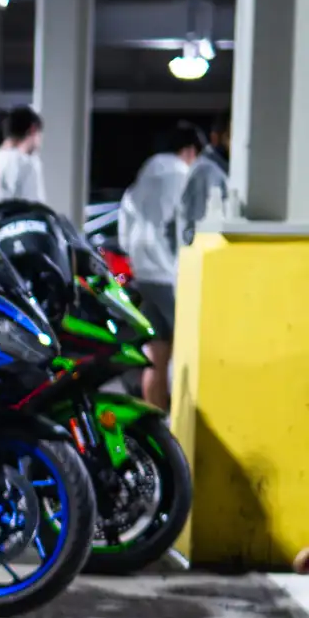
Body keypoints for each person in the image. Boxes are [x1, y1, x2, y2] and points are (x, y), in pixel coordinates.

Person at [117, 120, 205, 412]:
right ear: (190, 150)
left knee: (155, 355)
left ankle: (151, 420)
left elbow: (124, 230)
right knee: (185, 354)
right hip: (171, 274)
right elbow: (186, 227)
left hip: (143, 274)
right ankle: (179, 422)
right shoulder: (185, 177)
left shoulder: (141, 181)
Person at [179, 116, 229, 243]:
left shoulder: (222, 168)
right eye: (229, 136)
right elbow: (193, 230)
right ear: (215, 137)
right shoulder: (205, 170)